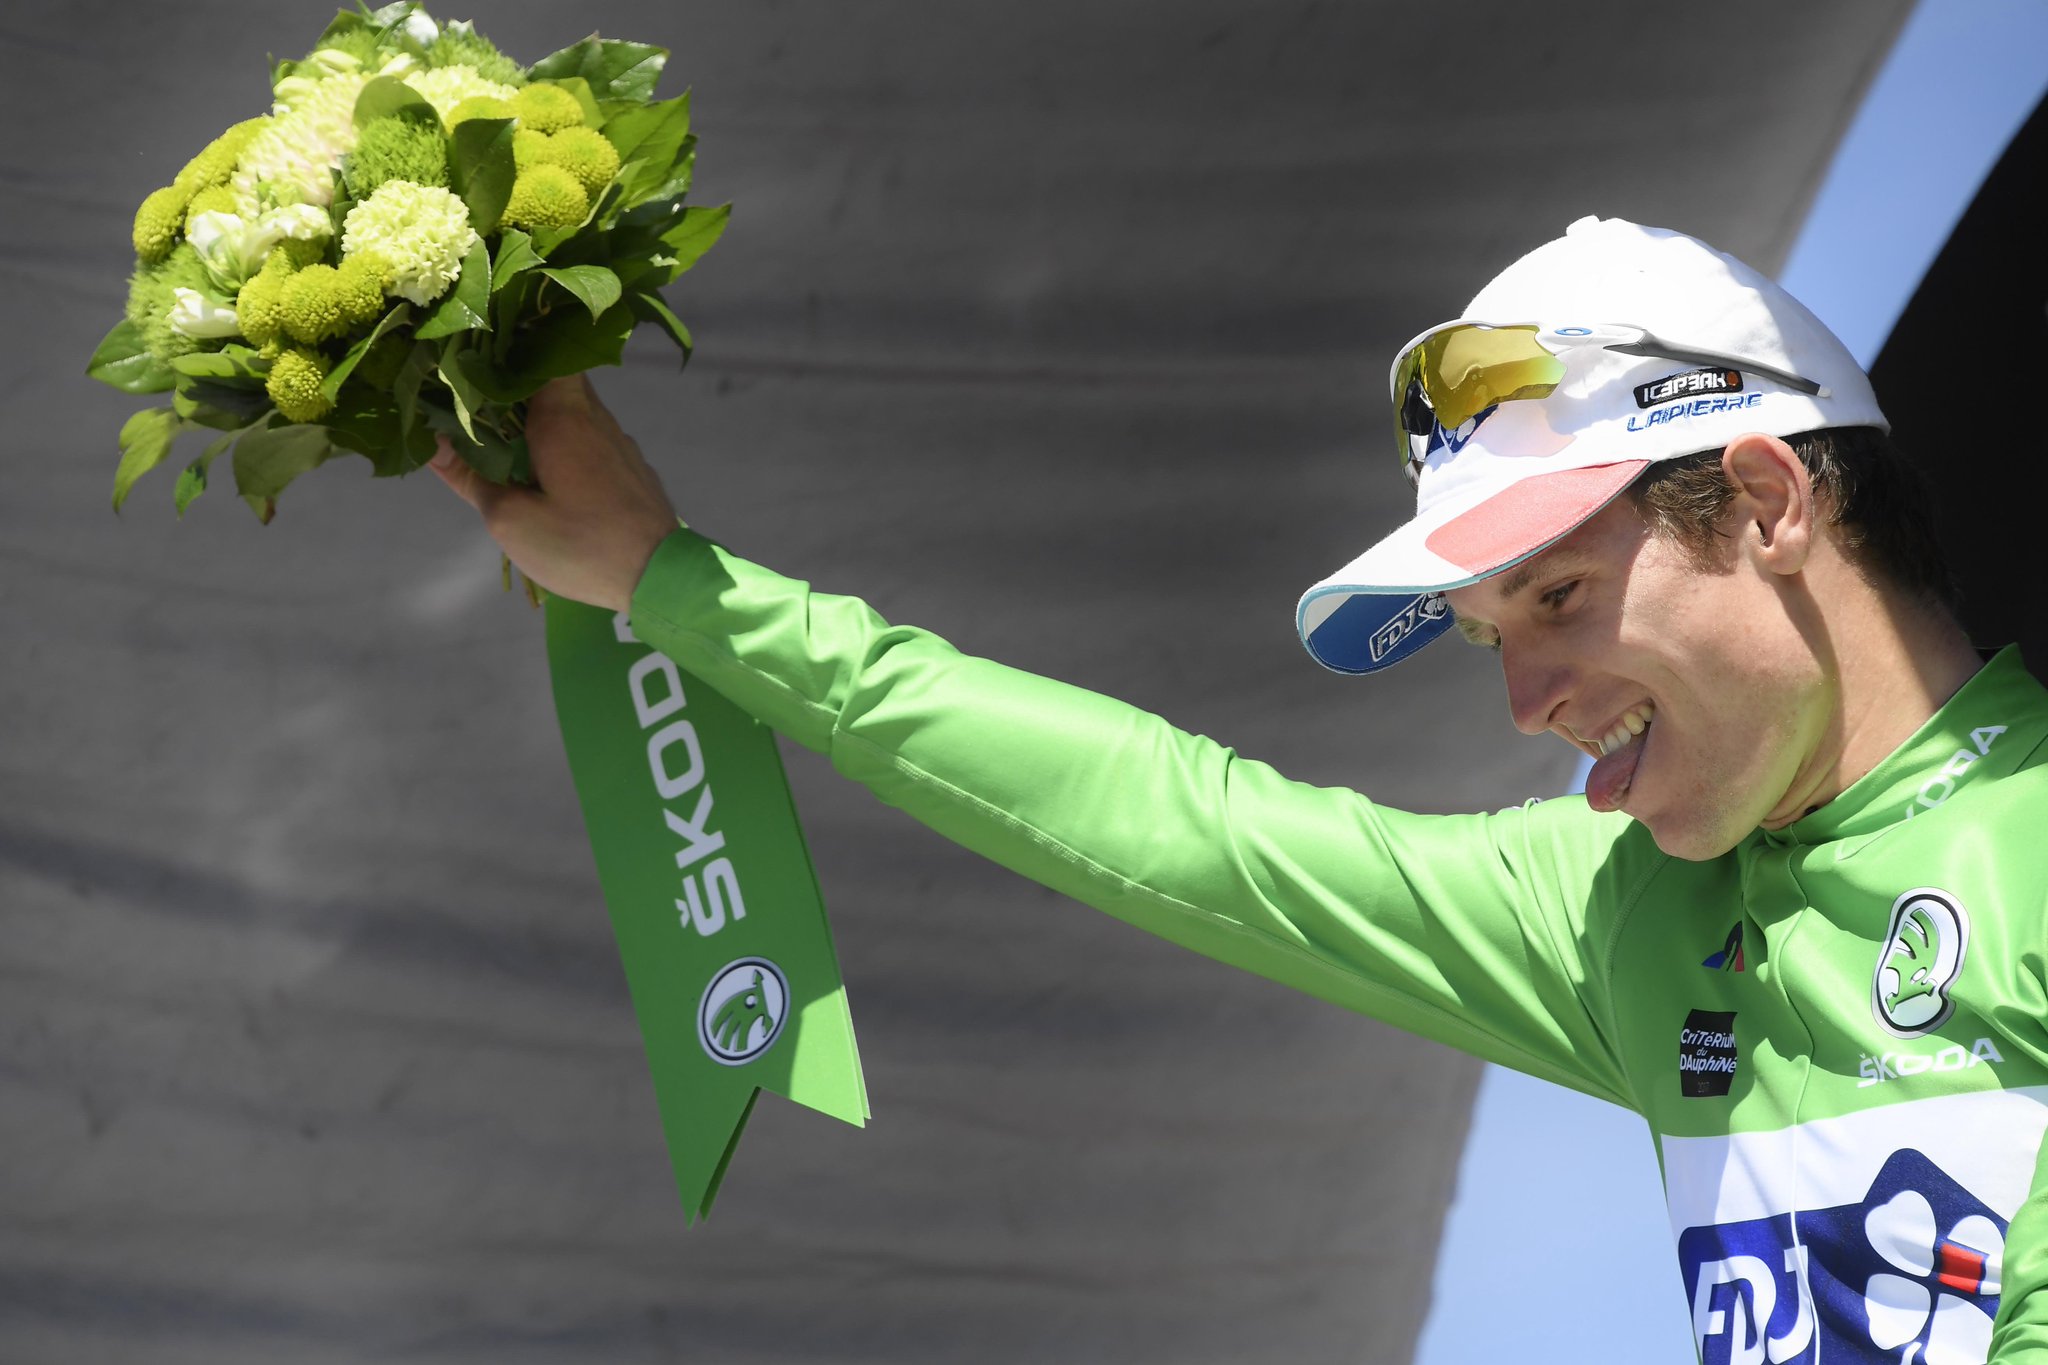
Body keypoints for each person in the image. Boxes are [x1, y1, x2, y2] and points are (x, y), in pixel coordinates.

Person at [430, 216, 2048, 1364]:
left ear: (1766, 499)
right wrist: (667, 581)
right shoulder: (1624, 912)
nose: (1527, 703)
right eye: (1489, 635)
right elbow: (1176, 822)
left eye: (1557, 594)